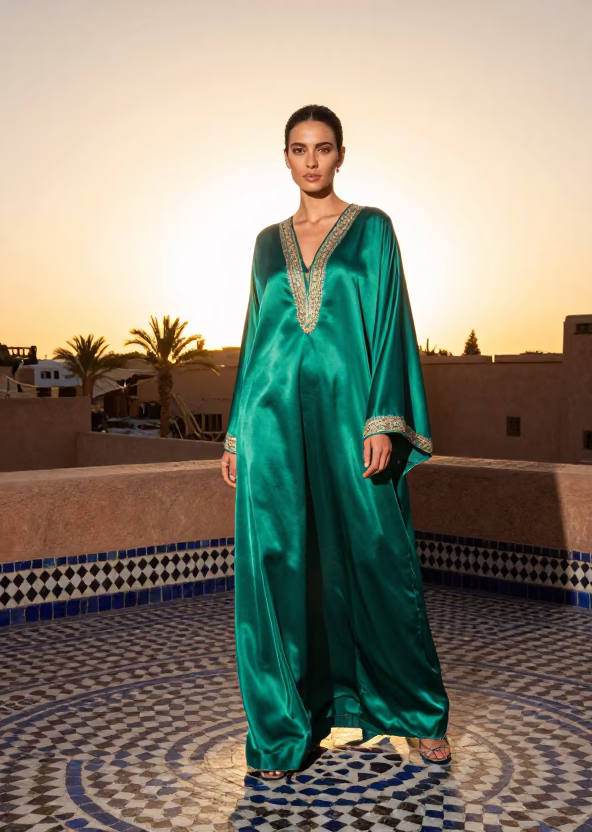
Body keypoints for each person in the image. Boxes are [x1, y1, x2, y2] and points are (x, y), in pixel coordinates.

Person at [219, 104, 452, 780]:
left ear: (341, 155)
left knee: (379, 558)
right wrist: (236, 432)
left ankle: (418, 713)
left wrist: (383, 419)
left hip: (353, 416)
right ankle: (286, 726)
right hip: (272, 422)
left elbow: (388, 321)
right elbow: (256, 331)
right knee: (281, 567)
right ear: (285, 157)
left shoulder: (374, 230)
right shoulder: (267, 242)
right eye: (299, 148)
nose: (311, 160)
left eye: (323, 148)